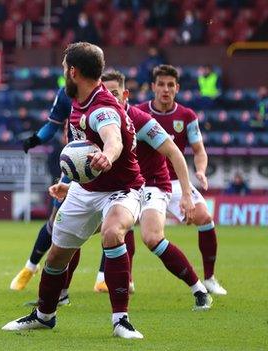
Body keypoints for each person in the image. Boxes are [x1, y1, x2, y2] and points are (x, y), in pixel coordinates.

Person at [2, 42, 145, 339]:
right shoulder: (76, 98)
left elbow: (112, 138)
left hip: (121, 188)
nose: (63, 71)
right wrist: (67, 182)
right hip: (85, 189)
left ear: (73, 71)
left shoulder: (101, 107)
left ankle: (121, 321)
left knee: (112, 232)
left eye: (65, 67)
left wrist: (109, 154)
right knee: (55, 257)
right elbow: (80, 151)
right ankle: (44, 316)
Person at [88, 71, 211, 310]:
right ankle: (62, 295)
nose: (109, 99)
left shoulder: (140, 119)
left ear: (125, 95)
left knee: (152, 238)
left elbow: (175, 153)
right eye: (104, 93)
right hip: (122, 187)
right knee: (76, 231)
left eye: (114, 94)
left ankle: (199, 288)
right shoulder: (97, 119)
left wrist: (186, 195)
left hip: (153, 184)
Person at [136, 64, 227, 295]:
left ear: (177, 88)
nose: (165, 89)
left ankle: (209, 278)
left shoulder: (187, 116)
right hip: (144, 183)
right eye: (161, 85)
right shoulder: (139, 113)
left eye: (170, 85)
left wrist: (201, 171)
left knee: (205, 217)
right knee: (128, 228)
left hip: (177, 182)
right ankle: (124, 280)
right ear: (153, 87)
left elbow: (199, 151)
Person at [10, 88, 78, 303]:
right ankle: (32, 269)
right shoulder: (67, 93)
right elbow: (53, 125)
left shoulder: (102, 95)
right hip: (76, 165)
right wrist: (35, 139)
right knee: (59, 224)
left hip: (105, 165)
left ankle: (110, 282)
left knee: (113, 231)